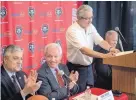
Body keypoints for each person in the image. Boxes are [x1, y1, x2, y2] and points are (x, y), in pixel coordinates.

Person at [66, 4, 119, 93]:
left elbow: (100, 40)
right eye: (87, 18)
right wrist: (104, 56)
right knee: (78, 94)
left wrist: (110, 48)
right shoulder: (72, 30)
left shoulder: (90, 26)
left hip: (88, 68)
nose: (90, 21)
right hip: (77, 68)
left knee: (90, 92)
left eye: (91, 17)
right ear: (79, 17)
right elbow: (84, 50)